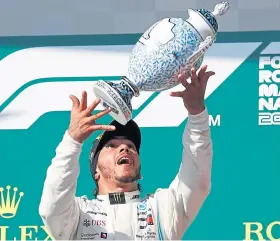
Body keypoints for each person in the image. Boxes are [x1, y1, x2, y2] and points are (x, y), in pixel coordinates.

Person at [39, 65, 215, 240]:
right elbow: (51, 208)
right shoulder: (78, 215)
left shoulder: (162, 209)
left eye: (131, 146)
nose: (124, 148)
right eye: (112, 145)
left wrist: (197, 114)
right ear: (96, 171)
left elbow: (197, 180)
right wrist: (72, 140)